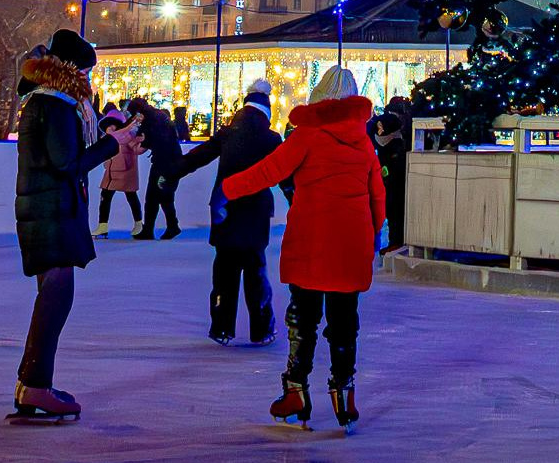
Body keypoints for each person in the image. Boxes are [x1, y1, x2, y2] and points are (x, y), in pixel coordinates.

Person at [224, 64, 388, 430]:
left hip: (312, 239)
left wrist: (230, 188)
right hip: (351, 242)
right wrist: (372, 234)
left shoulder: (308, 135)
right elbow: (378, 194)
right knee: (345, 321)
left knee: (304, 318)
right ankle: (345, 396)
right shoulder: (363, 142)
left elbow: (270, 171)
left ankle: (296, 390)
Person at [9, 30, 114, 423]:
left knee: (53, 298)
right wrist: (110, 145)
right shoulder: (54, 106)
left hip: (49, 209)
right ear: (72, 71)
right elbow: (67, 164)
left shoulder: (46, 102)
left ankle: (31, 383)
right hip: (52, 211)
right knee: (55, 299)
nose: (89, 79)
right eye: (86, 71)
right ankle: (35, 383)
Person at [170, 77, 283, 345]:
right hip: (255, 212)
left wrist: (171, 171)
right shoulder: (271, 138)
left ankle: (221, 327)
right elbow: (285, 173)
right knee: (255, 270)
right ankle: (262, 329)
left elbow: (198, 157)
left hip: (225, 210)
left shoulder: (227, 132)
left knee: (224, 270)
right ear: (266, 112)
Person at [135, 96, 187, 240]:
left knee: (155, 196)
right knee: (164, 195)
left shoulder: (150, 121)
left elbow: (142, 147)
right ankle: (169, 226)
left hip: (162, 163)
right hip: (171, 161)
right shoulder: (160, 116)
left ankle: (158, 228)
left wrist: (132, 142)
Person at [93, 107, 140, 239]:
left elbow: (136, 149)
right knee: (105, 197)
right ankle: (103, 225)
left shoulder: (127, 136)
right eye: (108, 126)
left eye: (112, 125)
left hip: (125, 171)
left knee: (131, 195)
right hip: (111, 172)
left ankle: (138, 223)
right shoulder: (107, 139)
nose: (109, 128)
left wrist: (144, 141)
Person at [372, 99, 413, 248]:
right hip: (392, 172)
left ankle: (396, 241)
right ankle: (395, 241)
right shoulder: (399, 129)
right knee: (393, 207)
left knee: (394, 207)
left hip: (391, 173)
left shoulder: (387, 125)